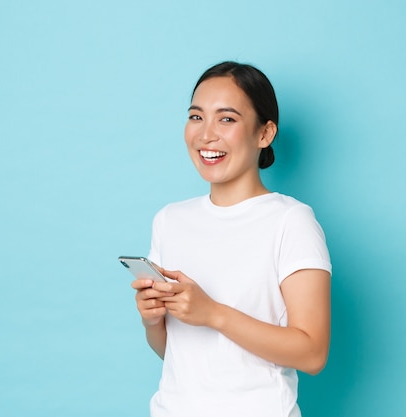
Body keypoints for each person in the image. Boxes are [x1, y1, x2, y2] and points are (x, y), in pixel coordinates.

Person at [131, 61, 332, 417]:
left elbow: (313, 353)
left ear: (265, 133)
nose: (206, 134)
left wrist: (214, 314)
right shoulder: (169, 220)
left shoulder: (291, 221)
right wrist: (153, 321)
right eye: (196, 117)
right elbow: (176, 353)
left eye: (227, 119)